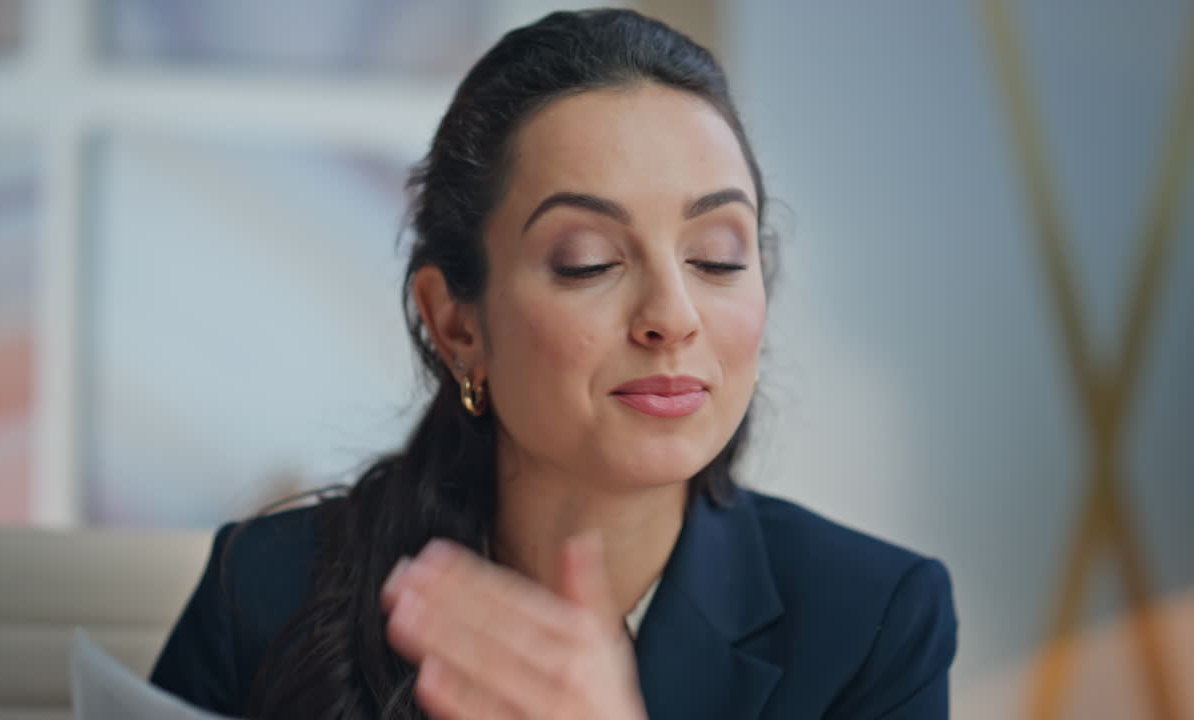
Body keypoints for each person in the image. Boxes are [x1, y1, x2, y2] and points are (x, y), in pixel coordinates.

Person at [150, 8, 957, 720]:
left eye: (716, 257)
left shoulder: (873, 621)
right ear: (456, 323)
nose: (673, 318)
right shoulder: (261, 592)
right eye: (587, 262)